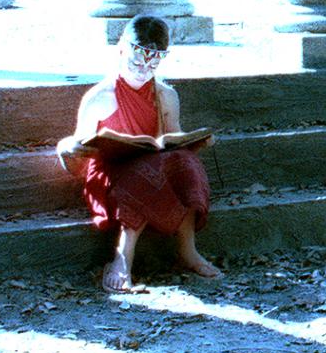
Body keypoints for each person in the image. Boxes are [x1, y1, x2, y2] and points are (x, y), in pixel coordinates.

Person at [56, 16, 220, 292]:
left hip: (153, 167)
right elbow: (79, 163)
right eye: (136, 61)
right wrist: (67, 150)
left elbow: (172, 140)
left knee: (186, 162)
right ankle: (123, 257)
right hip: (112, 173)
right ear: (121, 48)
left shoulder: (166, 96)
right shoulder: (99, 97)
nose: (143, 70)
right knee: (146, 172)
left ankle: (187, 250)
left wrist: (196, 143)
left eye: (152, 64)